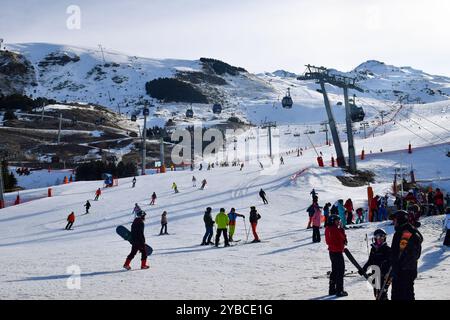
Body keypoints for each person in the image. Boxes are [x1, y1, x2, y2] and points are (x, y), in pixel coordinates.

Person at [389, 210, 423, 300]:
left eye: (395, 220)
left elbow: (399, 253)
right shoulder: (412, 231)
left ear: (400, 220)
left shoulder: (404, 233)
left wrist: (395, 267)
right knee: (408, 294)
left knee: (400, 295)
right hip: (410, 270)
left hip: (402, 271)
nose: (394, 222)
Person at [360, 229, 392, 300]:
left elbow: (391, 264)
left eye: (382, 237)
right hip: (376, 274)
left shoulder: (387, 249)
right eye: (378, 237)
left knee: (382, 294)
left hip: (385, 276)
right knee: (377, 294)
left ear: (385, 238)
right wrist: (363, 269)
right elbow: (370, 261)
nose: (380, 239)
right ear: (375, 238)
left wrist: (388, 274)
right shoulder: (373, 249)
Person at [325, 215, 348, 297]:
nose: (338, 222)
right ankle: (339, 290)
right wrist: (342, 230)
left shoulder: (328, 228)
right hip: (337, 252)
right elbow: (341, 238)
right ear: (332, 221)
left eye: (339, 220)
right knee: (340, 271)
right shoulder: (335, 229)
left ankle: (332, 289)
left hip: (332, 252)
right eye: (337, 221)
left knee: (334, 270)